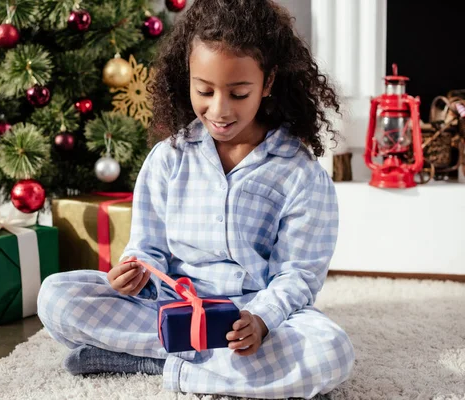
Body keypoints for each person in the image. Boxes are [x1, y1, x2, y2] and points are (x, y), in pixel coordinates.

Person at [37, 0, 355, 398]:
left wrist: (261, 319)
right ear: (187, 77)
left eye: (239, 93)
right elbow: (148, 247)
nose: (219, 110)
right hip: (171, 306)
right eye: (204, 91)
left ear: (268, 83)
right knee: (56, 297)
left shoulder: (299, 172)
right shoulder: (169, 158)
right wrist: (136, 273)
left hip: (248, 315)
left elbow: (297, 275)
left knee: (330, 353)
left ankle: (157, 364)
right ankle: (208, 365)